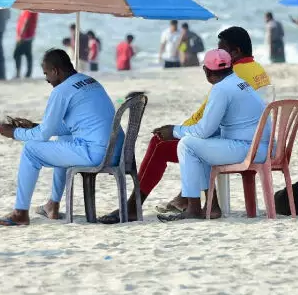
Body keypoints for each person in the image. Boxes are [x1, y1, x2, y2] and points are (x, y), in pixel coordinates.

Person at [98, 26, 272, 223]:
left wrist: (176, 130)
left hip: (244, 145)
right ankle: (205, 203)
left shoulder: (230, 79)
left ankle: (139, 205)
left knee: (167, 144)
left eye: (222, 49)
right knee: (195, 143)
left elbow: (205, 118)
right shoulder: (255, 70)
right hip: (256, 140)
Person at [0, 49, 120, 226]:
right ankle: (53, 204)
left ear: (56, 71)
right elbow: (72, 126)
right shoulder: (90, 81)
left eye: (46, 73)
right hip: (116, 151)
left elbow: (43, 136)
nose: (46, 79)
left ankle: (20, 213)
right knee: (64, 139)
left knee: (30, 150)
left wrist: (14, 133)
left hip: (96, 153)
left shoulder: (61, 91)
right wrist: (37, 126)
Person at [155, 48, 271, 222]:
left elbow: (203, 130)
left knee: (187, 144)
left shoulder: (221, 89)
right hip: (261, 146)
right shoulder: (240, 82)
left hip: (249, 148)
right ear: (230, 66)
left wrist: (173, 131)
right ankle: (212, 207)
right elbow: (210, 130)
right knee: (200, 143)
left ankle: (193, 208)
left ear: (206, 71)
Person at [13, 11, 38, 79]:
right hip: (27, 35)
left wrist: (21, 35)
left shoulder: (29, 10)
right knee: (27, 54)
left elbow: (27, 22)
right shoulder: (26, 10)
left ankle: (21, 73)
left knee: (17, 54)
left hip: (25, 36)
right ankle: (27, 73)